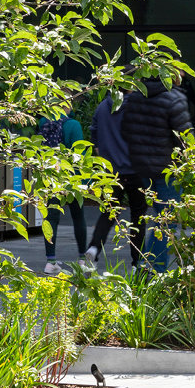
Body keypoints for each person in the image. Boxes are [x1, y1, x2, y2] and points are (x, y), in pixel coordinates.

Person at [121, 76, 193, 271]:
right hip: (167, 169)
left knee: (160, 218)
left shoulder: (135, 97)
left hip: (141, 168)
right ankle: (155, 272)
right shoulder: (174, 98)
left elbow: (126, 131)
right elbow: (185, 138)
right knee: (166, 222)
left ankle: (145, 268)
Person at [84, 93, 144, 268]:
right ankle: (137, 263)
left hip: (110, 170)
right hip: (135, 168)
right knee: (138, 217)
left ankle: (94, 247)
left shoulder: (103, 107)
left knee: (108, 213)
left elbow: (95, 136)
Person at [34, 111, 90, 274]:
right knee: (78, 217)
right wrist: (85, 182)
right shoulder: (73, 125)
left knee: (51, 218)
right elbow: (80, 156)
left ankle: (50, 262)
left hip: (51, 178)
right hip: (71, 179)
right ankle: (82, 260)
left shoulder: (43, 122)